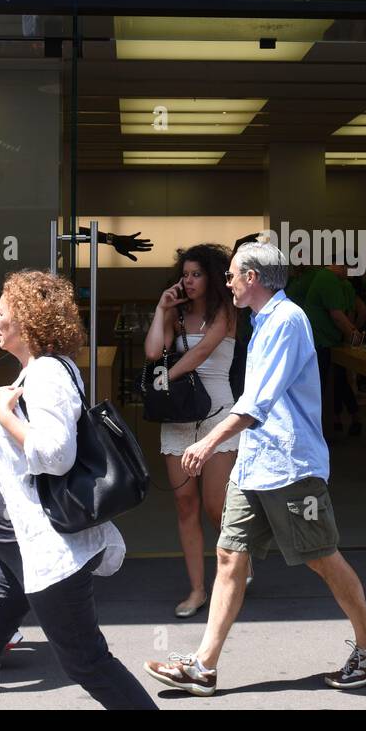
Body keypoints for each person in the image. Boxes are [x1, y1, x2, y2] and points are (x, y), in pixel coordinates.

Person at [143, 241, 366, 695]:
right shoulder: (264, 321)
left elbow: (257, 404)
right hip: (257, 463)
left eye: (234, 274)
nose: (227, 281)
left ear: (253, 278)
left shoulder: (287, 322)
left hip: (290, 466)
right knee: (228, 554)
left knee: (321, 556)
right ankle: (203, 665)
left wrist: (209, 441)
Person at [0, 270, 156, 709]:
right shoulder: (34, 372)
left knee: (87, 662)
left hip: (45, 548)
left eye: (3, 313)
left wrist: (4, 415)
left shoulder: (47, 374)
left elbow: (55, 455)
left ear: (27, 319)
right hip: (10, 545)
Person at [143, 244, 240, 619]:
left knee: (217, 506)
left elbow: (200, 355)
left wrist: (166, 377)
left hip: (218, 416)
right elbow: (154, 352)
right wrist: (161, 309)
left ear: (211, 277)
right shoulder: (177, 314)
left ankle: (236, 563)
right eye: (185, 274)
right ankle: (198, 588)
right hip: (180, 417)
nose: (188, 280)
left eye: (196, 273)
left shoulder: (226, 311)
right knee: (185, 505)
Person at [296, 263, 362, 437]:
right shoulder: (328, 279)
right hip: (321, 343)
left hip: (328, 342)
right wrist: (353, 334)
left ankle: (335, 422)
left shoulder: (333, 280)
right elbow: (338, 315)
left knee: (336, 382)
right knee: (324, 386)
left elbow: (351, 311)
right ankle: (317, 430)